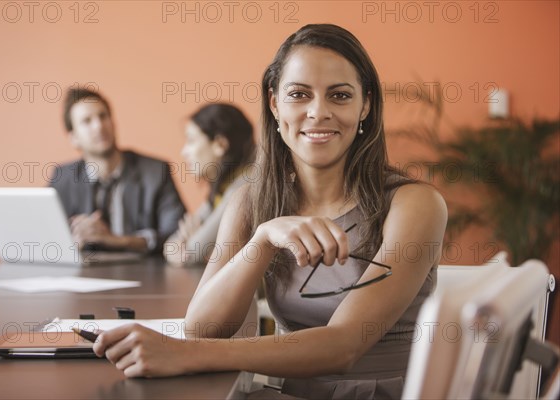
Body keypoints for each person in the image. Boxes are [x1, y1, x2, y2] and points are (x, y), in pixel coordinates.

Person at [93, 24, 447, 399]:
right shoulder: (250, 201)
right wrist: (261, 241)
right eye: (299, 95)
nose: (318, 112)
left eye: (340, 95)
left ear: (366, 105)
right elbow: (203, 328)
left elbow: (345, 345)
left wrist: (186, 355)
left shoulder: (414, 204)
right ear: (275, 105)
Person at [51, 88, 185, 254]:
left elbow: (176, 234)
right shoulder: (63, 178)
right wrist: (70, 242)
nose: (99, 126)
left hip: (145, 274)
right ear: (74, 138)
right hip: (85, 275)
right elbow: (44, 235)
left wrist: (118, 241)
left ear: (113, 122)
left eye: (103, 116)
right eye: (87, 121)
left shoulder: (156, 172)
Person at [163, 103, 255, 265]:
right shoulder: (225, 185)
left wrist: (192, 243)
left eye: (191, 141)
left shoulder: (245, 184)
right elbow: (173, 244)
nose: (184, 152)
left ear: (220, 145)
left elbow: (191, 254)